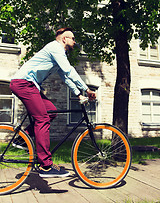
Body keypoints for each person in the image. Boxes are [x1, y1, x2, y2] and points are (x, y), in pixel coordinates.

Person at [10, 27, 96, 178]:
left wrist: (78, 93)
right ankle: (46, 166)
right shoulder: (55, 48)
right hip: (24, 84)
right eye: (73, 39)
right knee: (42, 119)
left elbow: (65, 77)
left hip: (30, 85)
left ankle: (23, 139)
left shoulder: (58, 54)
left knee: (51, 111)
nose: (75, 43)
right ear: (64, 39)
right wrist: (86, 88)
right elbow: (69, 70)